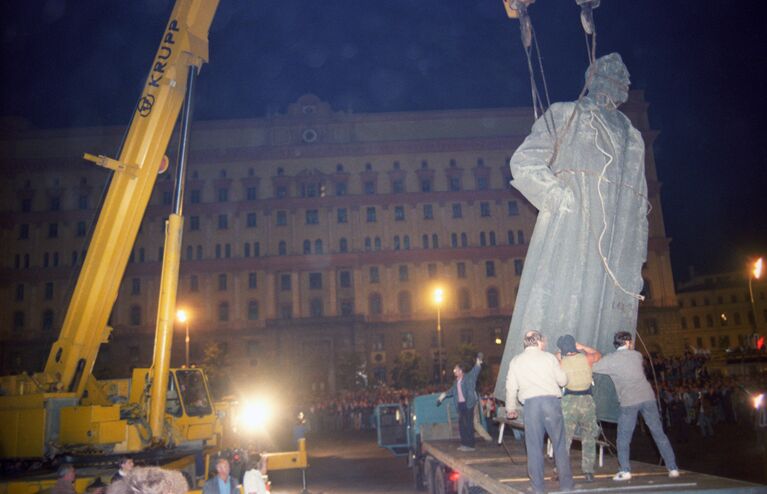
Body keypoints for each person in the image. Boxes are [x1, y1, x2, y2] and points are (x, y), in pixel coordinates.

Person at [494, 52, 649, 404]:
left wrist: (637, 250)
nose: (624, 80)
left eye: (626, 76)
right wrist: (557, 194)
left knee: (602, 319)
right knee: (562, 305)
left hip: (614, 244)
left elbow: (639, 197)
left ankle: (597, 400)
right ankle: (539, 394)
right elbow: (523, 161)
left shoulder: (632, 137)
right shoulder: (566, 114)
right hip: (570, 230)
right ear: (595, 78)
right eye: (615, 74)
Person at [592, 331, 680, 480]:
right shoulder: (637, 355)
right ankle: (673, 468)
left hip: (629, 402)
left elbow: (594, 367)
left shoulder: (611, 360)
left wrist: (597, 356)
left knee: (623, 438)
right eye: (631, 341)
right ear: (627, 342)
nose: (632, 343)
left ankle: (625, 471)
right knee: (658, 433)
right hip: (648, 398)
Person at [506, 331, 574, 493]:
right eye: (543, 341)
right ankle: (566, 486)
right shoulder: (549, 358)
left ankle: (538, 488)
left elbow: (511, 387)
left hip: (531, 406)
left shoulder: (516, 361)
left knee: (534, 447)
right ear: (538, 342)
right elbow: (563, 381)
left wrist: (510, 409)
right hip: (551, 404)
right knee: (559, 445)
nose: (544, 344)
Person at [556, 334, 601, 483]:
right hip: (587, 401)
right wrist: (581, 346)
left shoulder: (561, 361)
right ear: (574, 346)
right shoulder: (587, 359)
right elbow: (598, 354)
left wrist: (560, 353)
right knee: (588, 437)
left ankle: (561, 471)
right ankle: (588, 471)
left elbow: (555, 357)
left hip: (569, 402)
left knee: (565, 437)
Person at [437, 352, 483, 451]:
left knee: (468, 424)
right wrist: (443, 395)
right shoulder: (456, 382)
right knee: (462, 424)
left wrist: (478, 362)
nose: (454, 371)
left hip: (468, 404)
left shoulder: (468, 377)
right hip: (460, 405)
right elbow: (452, 391)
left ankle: (470, 445)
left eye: (456, 369)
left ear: (461, 371)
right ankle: (464, 443)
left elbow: (475, 371)